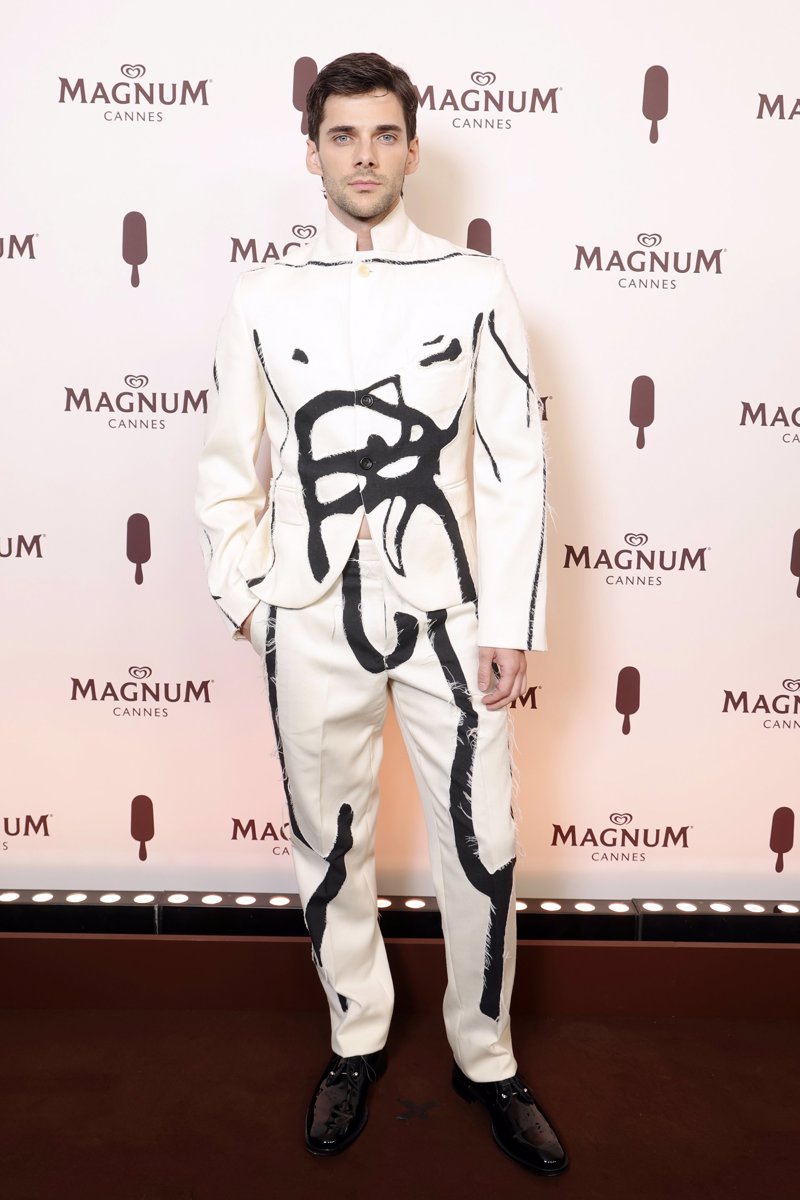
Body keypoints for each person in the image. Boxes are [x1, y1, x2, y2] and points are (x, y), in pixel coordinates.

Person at [194, 50, 567, 1175]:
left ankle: (485, 1056)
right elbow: (229, 467)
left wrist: (509, 620)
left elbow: (513, 462)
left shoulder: (474, 284)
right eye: (342, 136)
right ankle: (355, 1037)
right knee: (328, 838)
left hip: (449, 611)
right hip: (306, 610)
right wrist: (249, 600)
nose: (364, 156)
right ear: (312, 154)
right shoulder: (263, 297)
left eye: (383, 135)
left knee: (483, 839)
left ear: (411, 149)